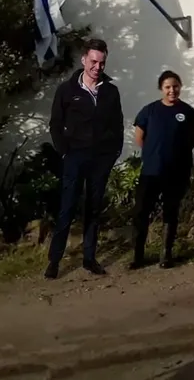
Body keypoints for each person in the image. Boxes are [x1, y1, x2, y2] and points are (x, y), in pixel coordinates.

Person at [45, 38, 124, 279]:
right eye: (93, 61)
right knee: (67, 209)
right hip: (75, 157)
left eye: (101, 63)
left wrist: (113, 153)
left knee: (93, 209)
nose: (97, 67)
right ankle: (54, 261)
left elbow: (118, 125)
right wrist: (65, 152)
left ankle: (89, 258)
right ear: (83, 60)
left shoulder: (110, 91)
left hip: (101, 159)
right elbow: (56, 124)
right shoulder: (67, 90)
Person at [129, 70, 194, 270]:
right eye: (168, 87)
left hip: (176, 172)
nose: (172, 90)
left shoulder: (188, 112)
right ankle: (138, 256)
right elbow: (139, 138)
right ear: (161, 88)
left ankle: (165, 254)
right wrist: (154, 153)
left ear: (180, 87)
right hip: (151, 171)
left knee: (171, 212)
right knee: (142, 212)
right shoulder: (149, 111)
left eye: (175, 86)